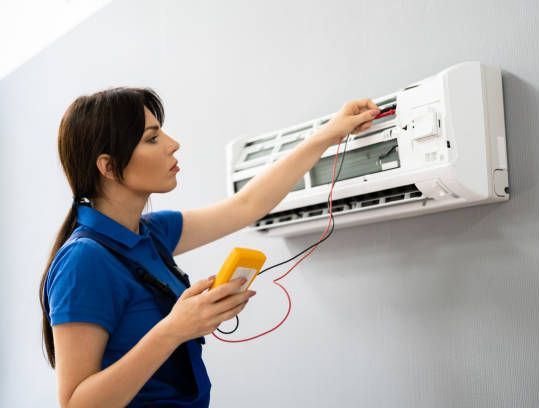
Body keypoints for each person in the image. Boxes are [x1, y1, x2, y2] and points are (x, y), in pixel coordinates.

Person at [39, 87, 380, 407]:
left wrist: (328, 134)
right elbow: (75, 402)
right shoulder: (83, 261)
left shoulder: (153, 233)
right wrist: (173, 330)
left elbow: (247, 205)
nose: (173, 144)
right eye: (152, 138)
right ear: (109, 166)